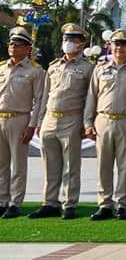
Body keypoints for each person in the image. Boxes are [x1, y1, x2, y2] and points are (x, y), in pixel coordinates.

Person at [30, 23, 92, 220]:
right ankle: (50, 202)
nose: (69, 43)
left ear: (82, 44)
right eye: (66, 39)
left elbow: (90, 98)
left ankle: (69, 202)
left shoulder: (88, 68)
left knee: (71, 165)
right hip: (50, 117)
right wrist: (40, 121)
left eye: (73, 40)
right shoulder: (54, 66)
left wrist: (85, 122)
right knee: (50, 164)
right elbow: (45, 95)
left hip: (72, 118)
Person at [85, 30, 126, 220]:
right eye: (116, 44)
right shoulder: (100, 69)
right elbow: (91, 97)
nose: (119, 48)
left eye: (124, 44)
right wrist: (88, 122)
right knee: (103, 164)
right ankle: (105, 203)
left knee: (124, 166)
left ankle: (122, 204)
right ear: (110, 46)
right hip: (103, 120)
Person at [0, 26, 44, 219]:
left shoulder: (35, 71)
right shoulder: (2, 68)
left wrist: (32, 125)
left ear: (27, 48)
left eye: (17, 45)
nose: (13, 47)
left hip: (20, 118)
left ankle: (15, 202)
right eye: (11, 44)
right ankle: (2, 200)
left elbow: (39, 100)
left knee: (18, 164)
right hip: (1, 116)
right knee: (1, 164)